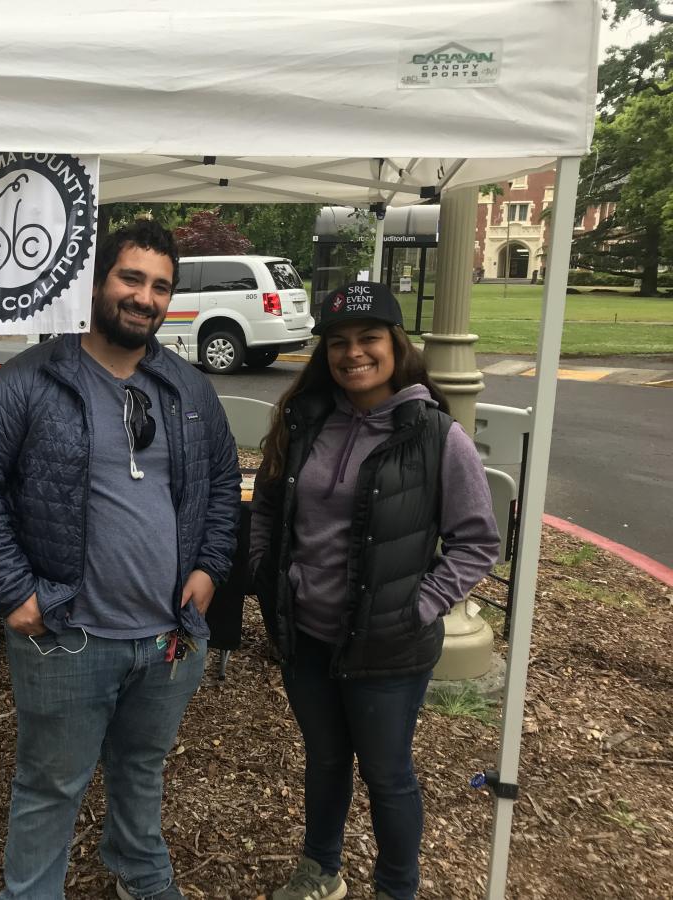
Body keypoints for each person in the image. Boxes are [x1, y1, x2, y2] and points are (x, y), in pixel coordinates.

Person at [0, 219, 240, 900]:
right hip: (66, 635)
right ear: (99, 282)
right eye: (131, 278)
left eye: (160, 286)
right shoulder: (34, 379)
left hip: (167, 636)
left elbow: (224, 482)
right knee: (51, 784)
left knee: (141, 766)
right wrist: (12, 589)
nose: (145, 297)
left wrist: (209, 568)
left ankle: (140, 872)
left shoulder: (188, 389)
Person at [249, 281, 499, 900]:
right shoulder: (304, 423)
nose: (353, 353)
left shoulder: (438, 437)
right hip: (307, 636)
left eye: (368, 339)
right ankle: (321, 870)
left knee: (387, 775)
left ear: (396, 345)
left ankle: (397, 888)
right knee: (326, 760)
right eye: (338, 343)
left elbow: (477, 542)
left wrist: (420, 604)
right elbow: (267, 510)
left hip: (388, 646)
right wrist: (266, 574)